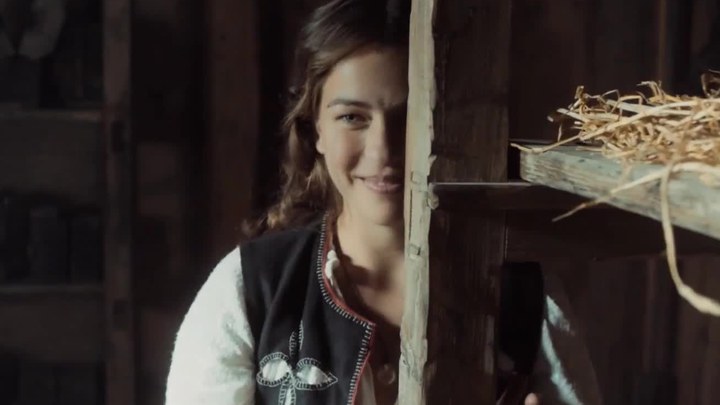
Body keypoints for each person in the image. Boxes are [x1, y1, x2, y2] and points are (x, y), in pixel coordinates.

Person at [165, 0, 603, 404]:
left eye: (411, 117)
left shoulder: (525, 294)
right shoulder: (248, 290)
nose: (384, 151)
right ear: (315, 129)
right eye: (352, 117)